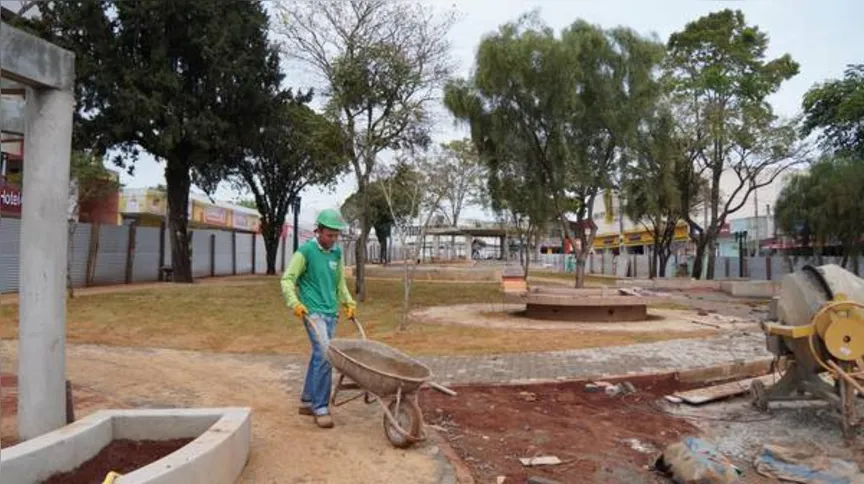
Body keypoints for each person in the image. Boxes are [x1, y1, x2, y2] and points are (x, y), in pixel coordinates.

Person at [280, 208, 356, 428]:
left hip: (332, 312)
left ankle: (306, 399)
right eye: (329, 235)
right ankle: (320, 406)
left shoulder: (336, 254)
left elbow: (340, 283)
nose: (333, 240)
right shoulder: (305, 252)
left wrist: (348, 303)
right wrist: (294, 302)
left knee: (318, 355)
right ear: (318, 231)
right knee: (325, 355)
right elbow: (287, 279)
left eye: (336, 235)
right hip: (312, 312)